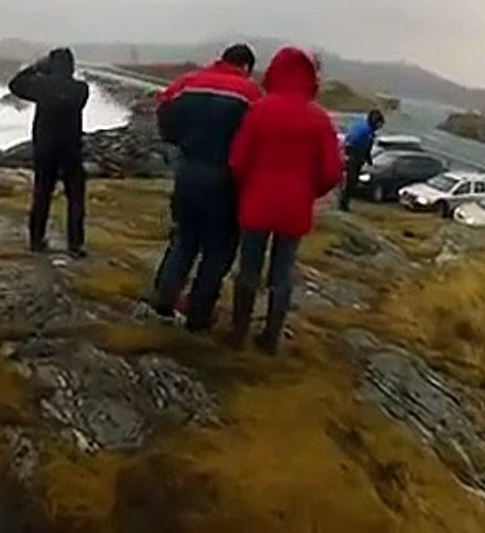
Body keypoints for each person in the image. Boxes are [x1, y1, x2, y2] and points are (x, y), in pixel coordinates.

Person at [228, 46, 344, 354]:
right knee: (282, 273)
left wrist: (248, 187)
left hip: (257, 202)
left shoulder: (259, 110)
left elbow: (238, 161)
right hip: (295, 207)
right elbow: (332, 172)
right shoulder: (320, 120)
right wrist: (309, 191)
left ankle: (237, 333)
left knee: (249, 269)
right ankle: (270, 337)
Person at [150, 43, 262, 331]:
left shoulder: (189, 82)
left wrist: (176, 138)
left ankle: (164, 296)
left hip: (187, 170)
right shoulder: (250, 94)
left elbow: (163, 105)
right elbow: (257, 135)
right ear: (246, 67)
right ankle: (199, 313)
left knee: (184, 237)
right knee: (218, 248)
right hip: (225, 177)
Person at [8, 47, 90, 257]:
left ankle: (36, 240)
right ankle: (75, 244)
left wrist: (36, 67)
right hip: (71, 150)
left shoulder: (41, 86)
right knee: (76, 198)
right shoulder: (81, 89)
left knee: (42, 194)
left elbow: (14, 85)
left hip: (45, 149)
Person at [338, 109, 386, 211]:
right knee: (351, 181)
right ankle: (343, 203)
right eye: (379, 124)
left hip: (350, 155)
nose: (379, 127)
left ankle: (343, 201)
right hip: (354, 157)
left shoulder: (361, 125)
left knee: (349, 181)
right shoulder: (366, 132)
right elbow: (362, 147)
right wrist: (367, 159)